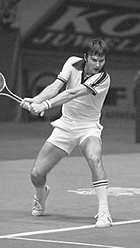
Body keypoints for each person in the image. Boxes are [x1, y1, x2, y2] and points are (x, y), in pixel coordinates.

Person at [20, 38, 112, 228]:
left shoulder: (103, 78)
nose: (98, 64)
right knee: (36, 174)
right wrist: (35, 100)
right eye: (94, 60)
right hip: (66, 126)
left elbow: (72, 93)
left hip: (88, 127)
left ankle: (104, 212)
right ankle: (41, 195)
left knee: (95, 158)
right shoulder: (71, 63)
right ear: (85, 57)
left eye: (101, 60)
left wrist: (44, 105)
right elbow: (55, 87)